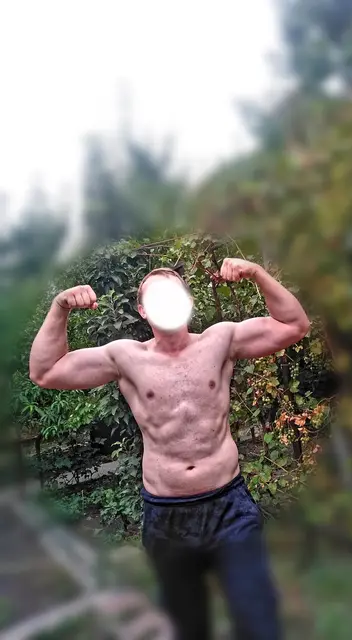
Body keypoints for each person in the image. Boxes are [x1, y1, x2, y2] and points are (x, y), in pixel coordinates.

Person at [29, 257, 310, 640]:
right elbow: (46, 371)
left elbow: (294, 325)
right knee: (187, 628)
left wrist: (257, 273)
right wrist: (59, 307)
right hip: (167, 517)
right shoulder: (126, 357)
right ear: (143, 310)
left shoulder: (220, 340)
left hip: (229, 508)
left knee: (259, 621)